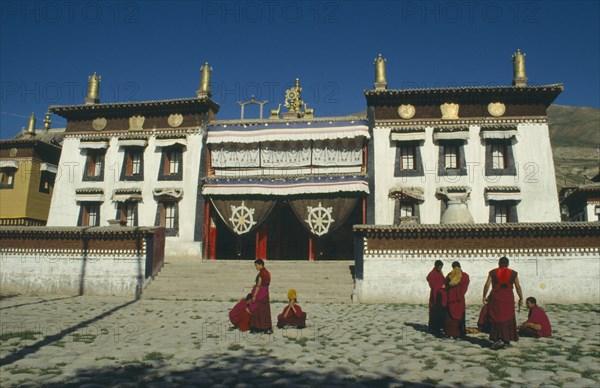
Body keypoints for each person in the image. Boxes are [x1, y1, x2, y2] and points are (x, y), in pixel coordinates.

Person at [482, 256, 523, 350]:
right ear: (508, 264)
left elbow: (487, 285)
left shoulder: (493, 272)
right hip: (508, 298)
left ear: (499, 263)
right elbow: (518, 287)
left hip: (496, 298)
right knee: (508, 317)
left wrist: (484, 295)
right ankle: (507, 340)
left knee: (497, 316)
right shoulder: (513, 273)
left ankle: (498, 338)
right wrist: (521, 297)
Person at [444, 261, 470, 338]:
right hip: (460, 300)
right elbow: (464, 287)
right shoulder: (465, 276)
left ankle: (450, 333)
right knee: (460, 315)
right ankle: (460, 332)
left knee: (451, 317)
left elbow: (446, 283)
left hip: (451, 299)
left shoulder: (450, 276)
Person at [248, 259, 273, 334]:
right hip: (265, 293)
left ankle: (255, 327)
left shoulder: (261, 274)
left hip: (260, 293)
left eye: (256, 265)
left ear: (260, 265)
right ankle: (266, 327)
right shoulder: (268, 273)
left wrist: (254, 296)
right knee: (265, 310)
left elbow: (259, 285)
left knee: (255, 308)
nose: (256, 267)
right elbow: (265, 283)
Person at [427, 260, 446, 336]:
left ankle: (439, 326)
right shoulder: (432, 274)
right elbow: (432, 283)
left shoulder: (440, 273)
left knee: (440, 311)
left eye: (441, 267)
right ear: (436, 266)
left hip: (441, 294)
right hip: (434, 294)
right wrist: (440, 287)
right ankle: (433, 327)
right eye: (439, 267)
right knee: (434, 311)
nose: (440, 268)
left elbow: (443, 280)